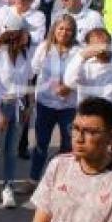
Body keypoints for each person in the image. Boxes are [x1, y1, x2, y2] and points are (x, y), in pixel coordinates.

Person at [0, 12, 33, 209]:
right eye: (25, 32)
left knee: (11, 151)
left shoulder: (24, 54)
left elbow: (28, 81)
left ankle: (8, 187)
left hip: (19, 106)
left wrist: (29, 105)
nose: (28, 36)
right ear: (14, 34)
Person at [23, 15, 80, 193]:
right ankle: (33, 180)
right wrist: (29, 99)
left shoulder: (78, 52)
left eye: (68, 29)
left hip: (69, 106)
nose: (64, 32)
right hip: (45, 103)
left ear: (73, 32)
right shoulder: (44, 48)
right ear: (54, 29)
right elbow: (32, 73)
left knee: (67, 146)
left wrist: (70, 87)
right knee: (41, 144)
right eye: (60, 28)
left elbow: (85, 75)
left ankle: (61, 181)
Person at [64, 28, 112, 116]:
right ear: (88, 47)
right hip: (89, 117)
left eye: (105, 44)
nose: (102, 49)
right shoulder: (81, 61)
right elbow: (69, 83)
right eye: (96, 46)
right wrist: (83, 56)